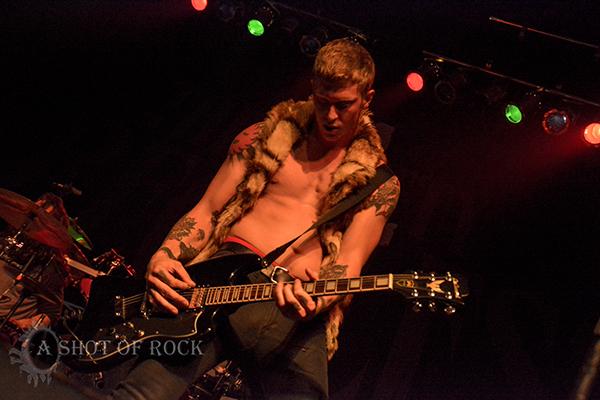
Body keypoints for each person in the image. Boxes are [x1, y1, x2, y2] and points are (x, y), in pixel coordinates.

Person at [110, 38, 400, 400]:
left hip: (296, 314)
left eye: (343, 105)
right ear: (312, 88)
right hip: (218, 287)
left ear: (368, 99)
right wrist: (165, 254)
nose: (330, 116)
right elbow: (208, 209)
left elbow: (348, 265)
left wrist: (316, 301)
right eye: (322, 101)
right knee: (138, 395)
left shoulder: (379, 183)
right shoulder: (262, 136)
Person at [0, 193, 73, 335]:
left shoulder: (48, 268)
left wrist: (20, 324)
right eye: (32, 216)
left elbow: (51, 315)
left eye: (42, 218)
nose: (33, 222)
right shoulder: (5, 243)